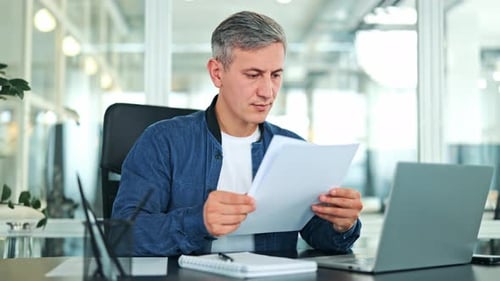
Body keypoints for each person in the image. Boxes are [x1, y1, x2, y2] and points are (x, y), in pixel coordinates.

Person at [112, 10, 363, 257]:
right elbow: (123, 237)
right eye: (253, 75)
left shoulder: (294, 149)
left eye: (275, 75)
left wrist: (342, 224)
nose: (268, 91)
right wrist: (198, 222)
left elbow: (319, 235)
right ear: (217, 73)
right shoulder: (162, 142)